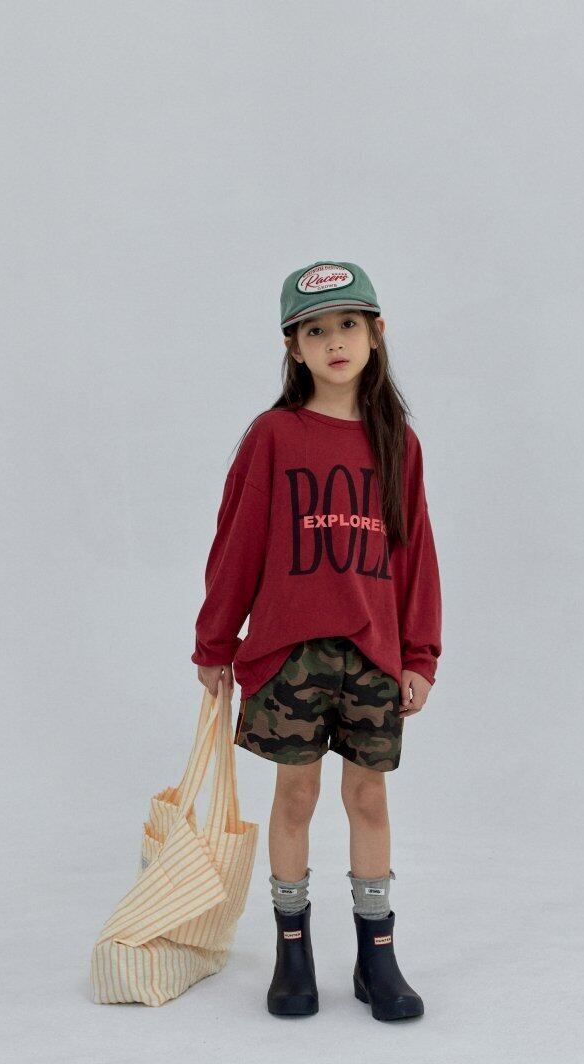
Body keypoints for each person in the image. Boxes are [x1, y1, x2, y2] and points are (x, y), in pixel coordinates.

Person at [191, 259, 442, 1022]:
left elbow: (415, 556)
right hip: (289, 653)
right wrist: (214, 642)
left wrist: (420, 654)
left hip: (372, 654)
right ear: (292, 347)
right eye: (315, 330)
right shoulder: (273, 436)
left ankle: (377, 955)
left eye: (348, 325)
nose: (335, 342)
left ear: (376, 333)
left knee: (368, 796)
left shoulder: (398, 442)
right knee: (295, 794)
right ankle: (292, 951)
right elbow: (238, 543)